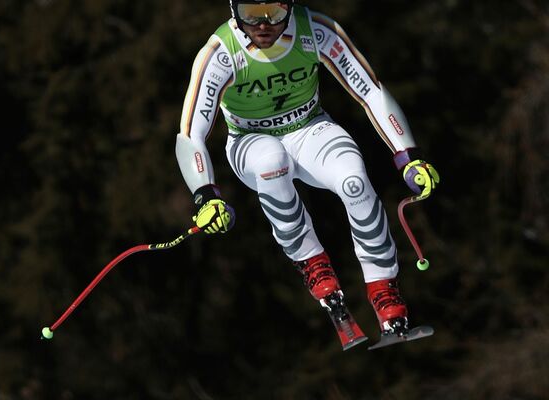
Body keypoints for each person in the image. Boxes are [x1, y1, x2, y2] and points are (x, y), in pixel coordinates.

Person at [175, 0, 440, 344]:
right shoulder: (221, 53)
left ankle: (385, 293)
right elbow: (190, 134)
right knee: (271, 161)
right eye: (252, 14)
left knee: (354, 180)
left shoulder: (315, 31)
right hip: (250, 142)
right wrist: (205, 194)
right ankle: (316, 270)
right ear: (233, 10)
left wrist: (409, 156)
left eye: (275, 12)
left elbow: (371, 93)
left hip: (310, 130)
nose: (264, 25)